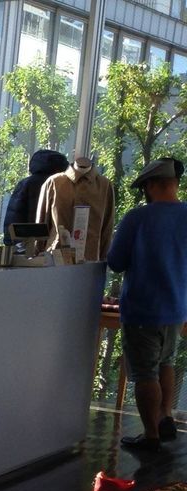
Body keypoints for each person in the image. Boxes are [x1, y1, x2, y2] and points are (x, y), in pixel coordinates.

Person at [106, 156, 187, 453]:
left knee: (144, 374)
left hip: (143, 309)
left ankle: (151, 435)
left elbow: (115, 262)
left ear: (151, 186)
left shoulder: (138, 219)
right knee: (166, 363)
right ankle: (166, 415)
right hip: (176, 308)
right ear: (175, 184)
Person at [2, 148, 68, 245]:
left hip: (27, 245)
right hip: (54, 245)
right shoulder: (63, 186)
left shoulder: (26, 183)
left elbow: (14, 215)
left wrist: (12, 243)